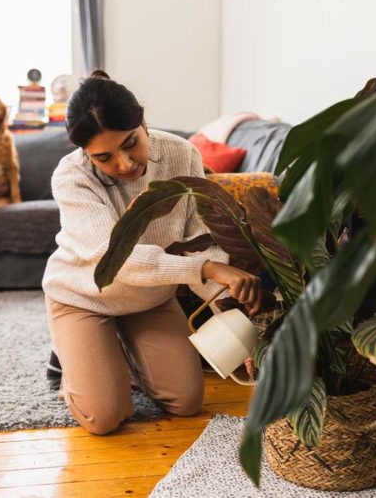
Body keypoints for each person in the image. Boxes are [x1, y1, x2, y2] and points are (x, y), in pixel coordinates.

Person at [42, 70, 262, 435]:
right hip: (84, 297)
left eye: (131, 142)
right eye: (104, 157)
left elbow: (203, 239)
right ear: (84, 153)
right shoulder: (71, 178)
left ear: (143, 119)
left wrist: (232, 317)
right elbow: (116, 260)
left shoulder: (182, 153)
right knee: (104, 416)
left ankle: (116, 355)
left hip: (151, 299)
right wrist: (207, 270)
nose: (125, 164)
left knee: (186, 401)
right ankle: (70, 352)